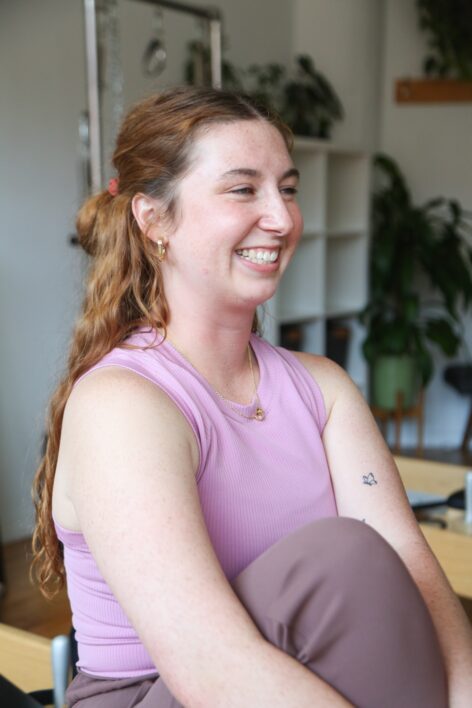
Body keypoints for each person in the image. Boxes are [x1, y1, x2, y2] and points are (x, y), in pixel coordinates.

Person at [32, 86, 472, 708]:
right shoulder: (122, 404)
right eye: (244, 189)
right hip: (157, 692)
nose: (282, 217)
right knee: (341, 558)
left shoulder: (323, 386)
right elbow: (210, 668)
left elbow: (413, 567)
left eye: (287, 189)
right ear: (153, 219)